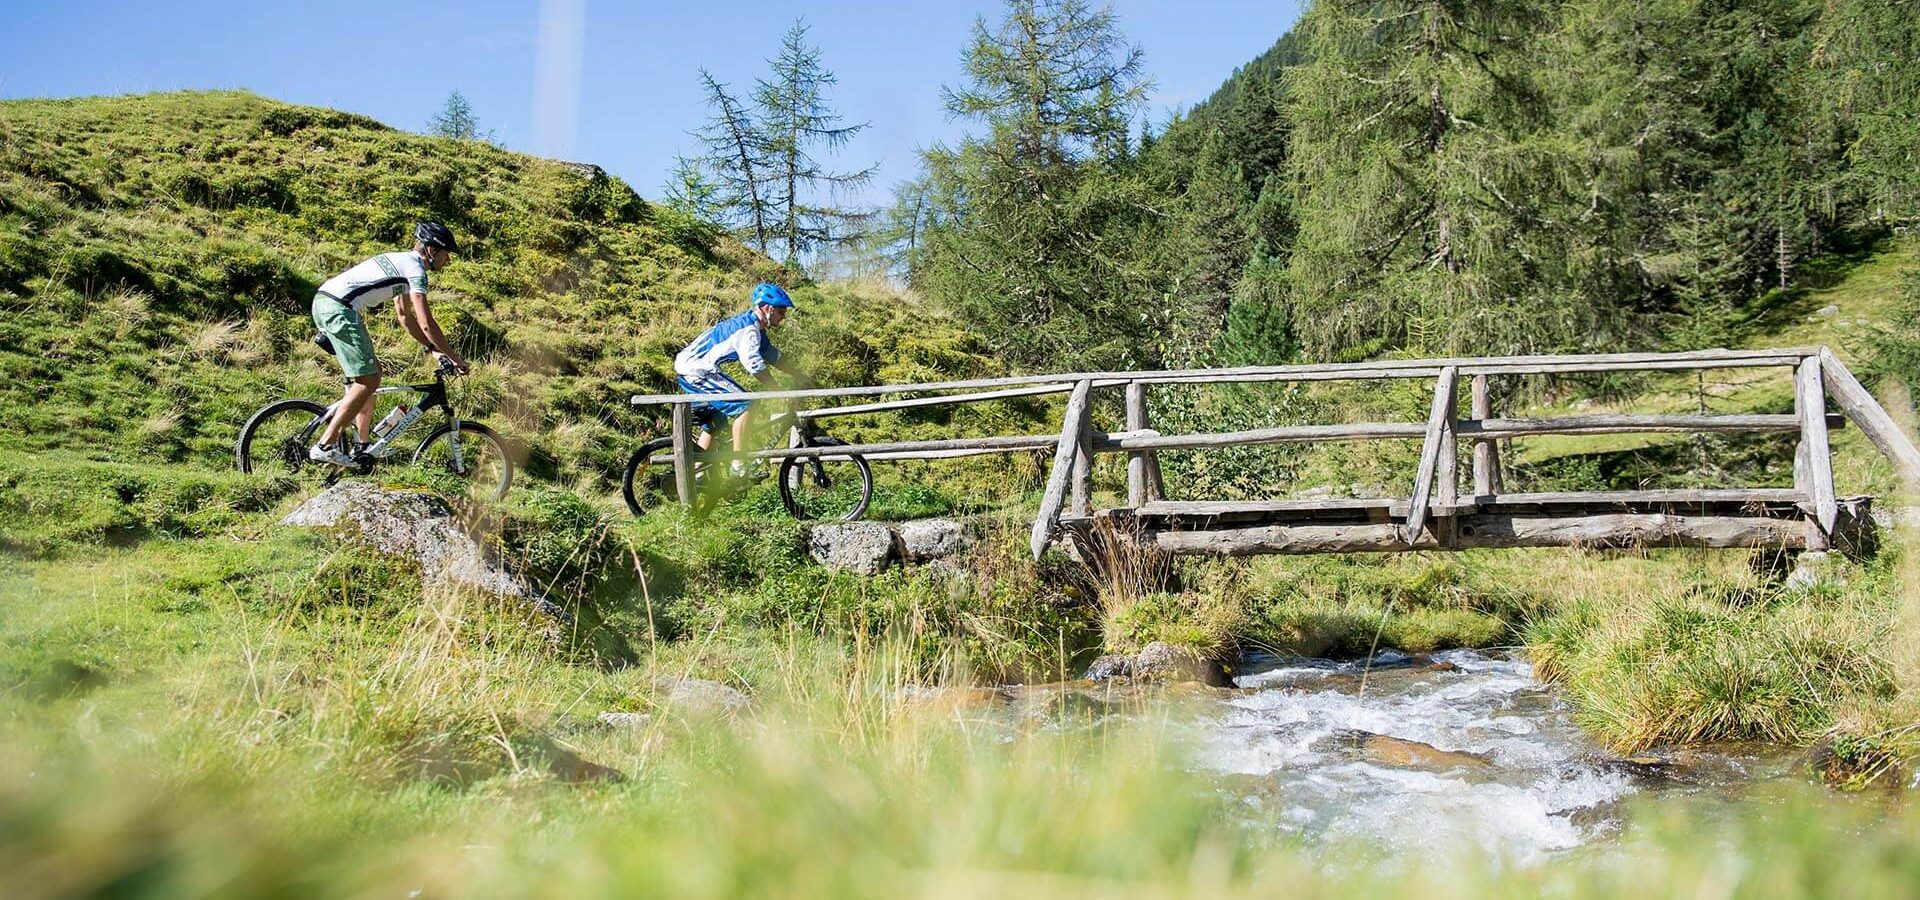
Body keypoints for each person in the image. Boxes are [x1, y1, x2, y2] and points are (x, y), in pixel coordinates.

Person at [307, 222, 471, 466]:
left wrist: (433, 351)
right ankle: (326, 445)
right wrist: (456, 357)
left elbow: (405, 317)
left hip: (327, 302)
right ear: (432, 250)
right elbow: (426, 322)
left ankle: (362, 447)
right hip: (340, 309)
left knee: (369, 377)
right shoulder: (416, 270)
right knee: (369, 379)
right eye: (447, 254)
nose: (448, 261)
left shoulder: (403, 262)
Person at [673, 282, 807, 476]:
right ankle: (739, 466)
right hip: (695, 370)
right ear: (767, 308)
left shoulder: (756, 328)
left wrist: (799, 374)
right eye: (781, 312)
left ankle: (697, 474)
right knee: (746, 404)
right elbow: (755, 365)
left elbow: (772, 355)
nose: (783, 317)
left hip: (695, 367)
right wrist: (778, 391)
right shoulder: (749, 330)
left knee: (714, 422)